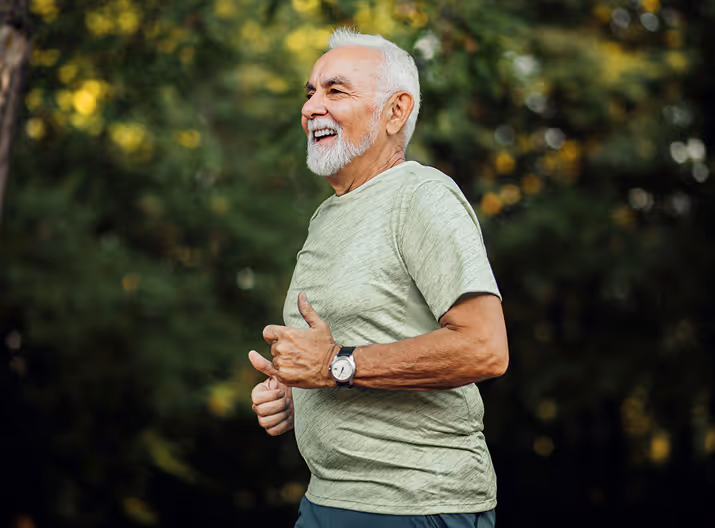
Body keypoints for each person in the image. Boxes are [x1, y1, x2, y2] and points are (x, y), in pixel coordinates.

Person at [248, 28, 508, 528]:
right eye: (309, 93)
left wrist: (334, 367)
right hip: (328, 498)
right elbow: (351, 350)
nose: (311, 107)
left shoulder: (423, 197)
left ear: (395, 112)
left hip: (416, 502)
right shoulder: (328, 216)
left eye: (335, 91)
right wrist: (294, 394)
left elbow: (485, 347)